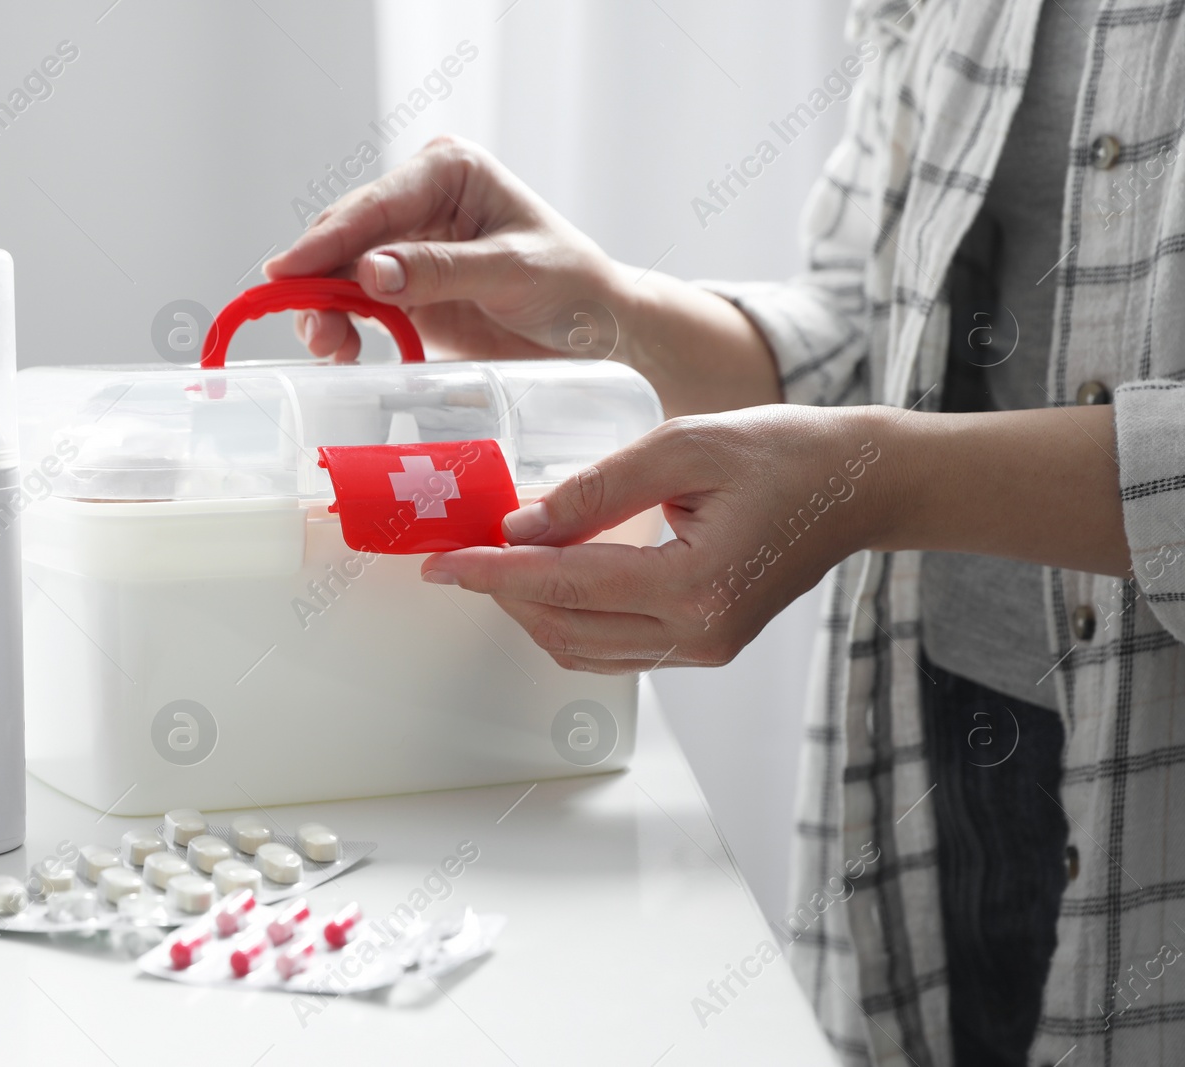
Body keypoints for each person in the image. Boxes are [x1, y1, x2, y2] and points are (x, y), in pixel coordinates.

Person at [264, 2, 1185, 1064]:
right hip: (945, 753)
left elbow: (872, 444)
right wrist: (606, 312)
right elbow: (874, 324)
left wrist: (871, 482)